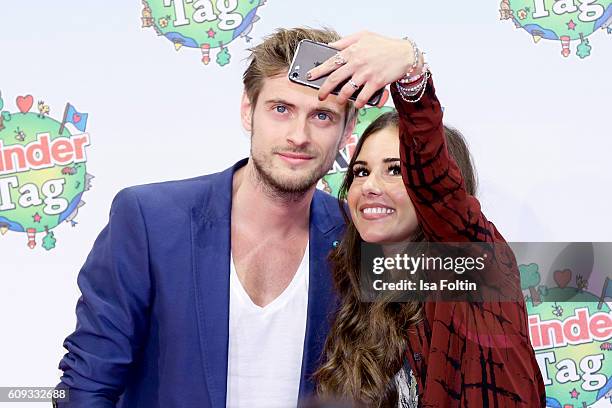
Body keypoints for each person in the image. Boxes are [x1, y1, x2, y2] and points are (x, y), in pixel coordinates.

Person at [54, 27, 359, 408]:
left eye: (323, 116)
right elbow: (87, 385)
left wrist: (414, 75)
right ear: (248, 110)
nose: (299, 135)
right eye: (281, 109)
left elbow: (447, 306)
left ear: (347, 131)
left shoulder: (359, 240)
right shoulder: (150, 220)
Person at [306, 32, 547, 407]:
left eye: (395, 170)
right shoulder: (364, 293)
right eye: (360, 171)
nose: (369, 186)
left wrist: (410, 71)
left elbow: (435, 184)